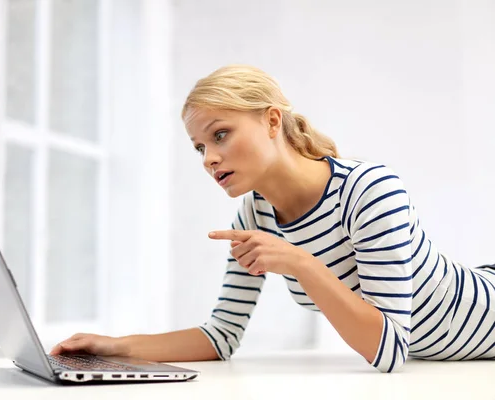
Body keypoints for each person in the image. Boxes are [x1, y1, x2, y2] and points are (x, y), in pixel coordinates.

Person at [51, 64, 495, 373]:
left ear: (271, 120)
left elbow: (392, 350)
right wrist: (115, 347)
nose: (209, 158)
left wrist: (300, 262)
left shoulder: (369, 190)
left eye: (220, 134)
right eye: (199, 147)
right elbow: (221, 335)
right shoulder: (255, 213)